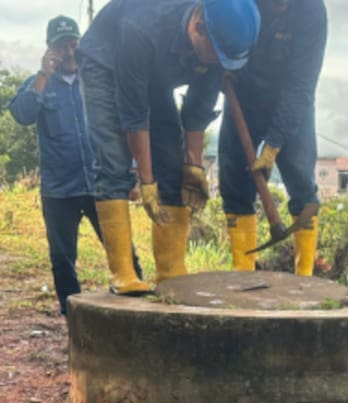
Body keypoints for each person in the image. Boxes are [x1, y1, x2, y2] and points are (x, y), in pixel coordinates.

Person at [77, 0, 260, 294]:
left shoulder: (217, 48)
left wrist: (194, 166)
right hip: (105, 62)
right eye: (214, 56)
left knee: (173, 166)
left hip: (155, 74)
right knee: (113, 160)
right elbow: (134, 115)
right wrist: (147, 181)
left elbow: (197, 112)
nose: (215, 64)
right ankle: (123, 274)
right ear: (197, 27)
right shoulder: (142, 26)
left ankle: (170, 272)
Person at [7, 15, 143, 315]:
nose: (69, 52)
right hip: (59, 190)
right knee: (62, 257)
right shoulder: (38, 83)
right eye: (61, 46)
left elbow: (124, 125)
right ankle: (73, 317)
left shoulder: (98, 82)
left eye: (73, 44)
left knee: (122, 250)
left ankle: (138, 309)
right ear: (49, 49)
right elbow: (23, 114)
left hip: (101, 184)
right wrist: (43, 74)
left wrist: (132, 173)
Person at [219, 0, 326, 275]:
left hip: (290, 100)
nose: (281, 4)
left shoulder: (311, 10)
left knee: (302, 180)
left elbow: (302, 84)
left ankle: (305, 276)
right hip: (241, 97)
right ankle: (242, 270)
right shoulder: (237, 5)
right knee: (234, 182)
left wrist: (273, 146)